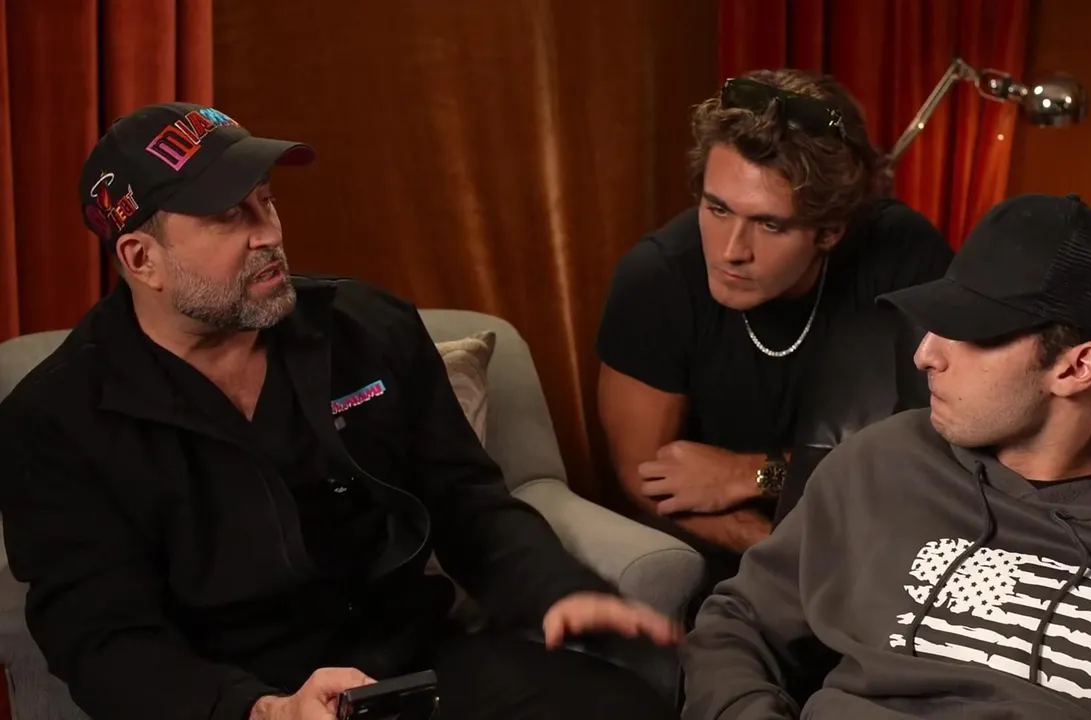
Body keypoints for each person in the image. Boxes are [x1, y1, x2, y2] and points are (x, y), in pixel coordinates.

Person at [0, 103, 681, 720]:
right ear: (141, 257)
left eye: (266, 201)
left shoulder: (367, 328)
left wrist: (555, 588)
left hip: (419, 664)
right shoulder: (56, 421)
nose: (268, 234)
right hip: (238, 696)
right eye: (230, 216)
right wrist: (264, 710)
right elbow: (103, 638)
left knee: (623, 710)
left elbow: (466, 500)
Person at [679, 194, 1091, 719]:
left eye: (968, 332)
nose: (925, 355)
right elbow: (739, 624)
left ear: (1076, 367)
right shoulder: (884, 468)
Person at [594, 69, 954, 591]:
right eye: (717, 209)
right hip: (729, 552)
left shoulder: (902, 254)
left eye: (769, 224)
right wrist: (785, 556)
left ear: (830, 231)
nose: (730, 251)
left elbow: (936, 446)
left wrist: (752, 473)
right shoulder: (656, 278)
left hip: (882, 535)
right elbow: (645, 477)